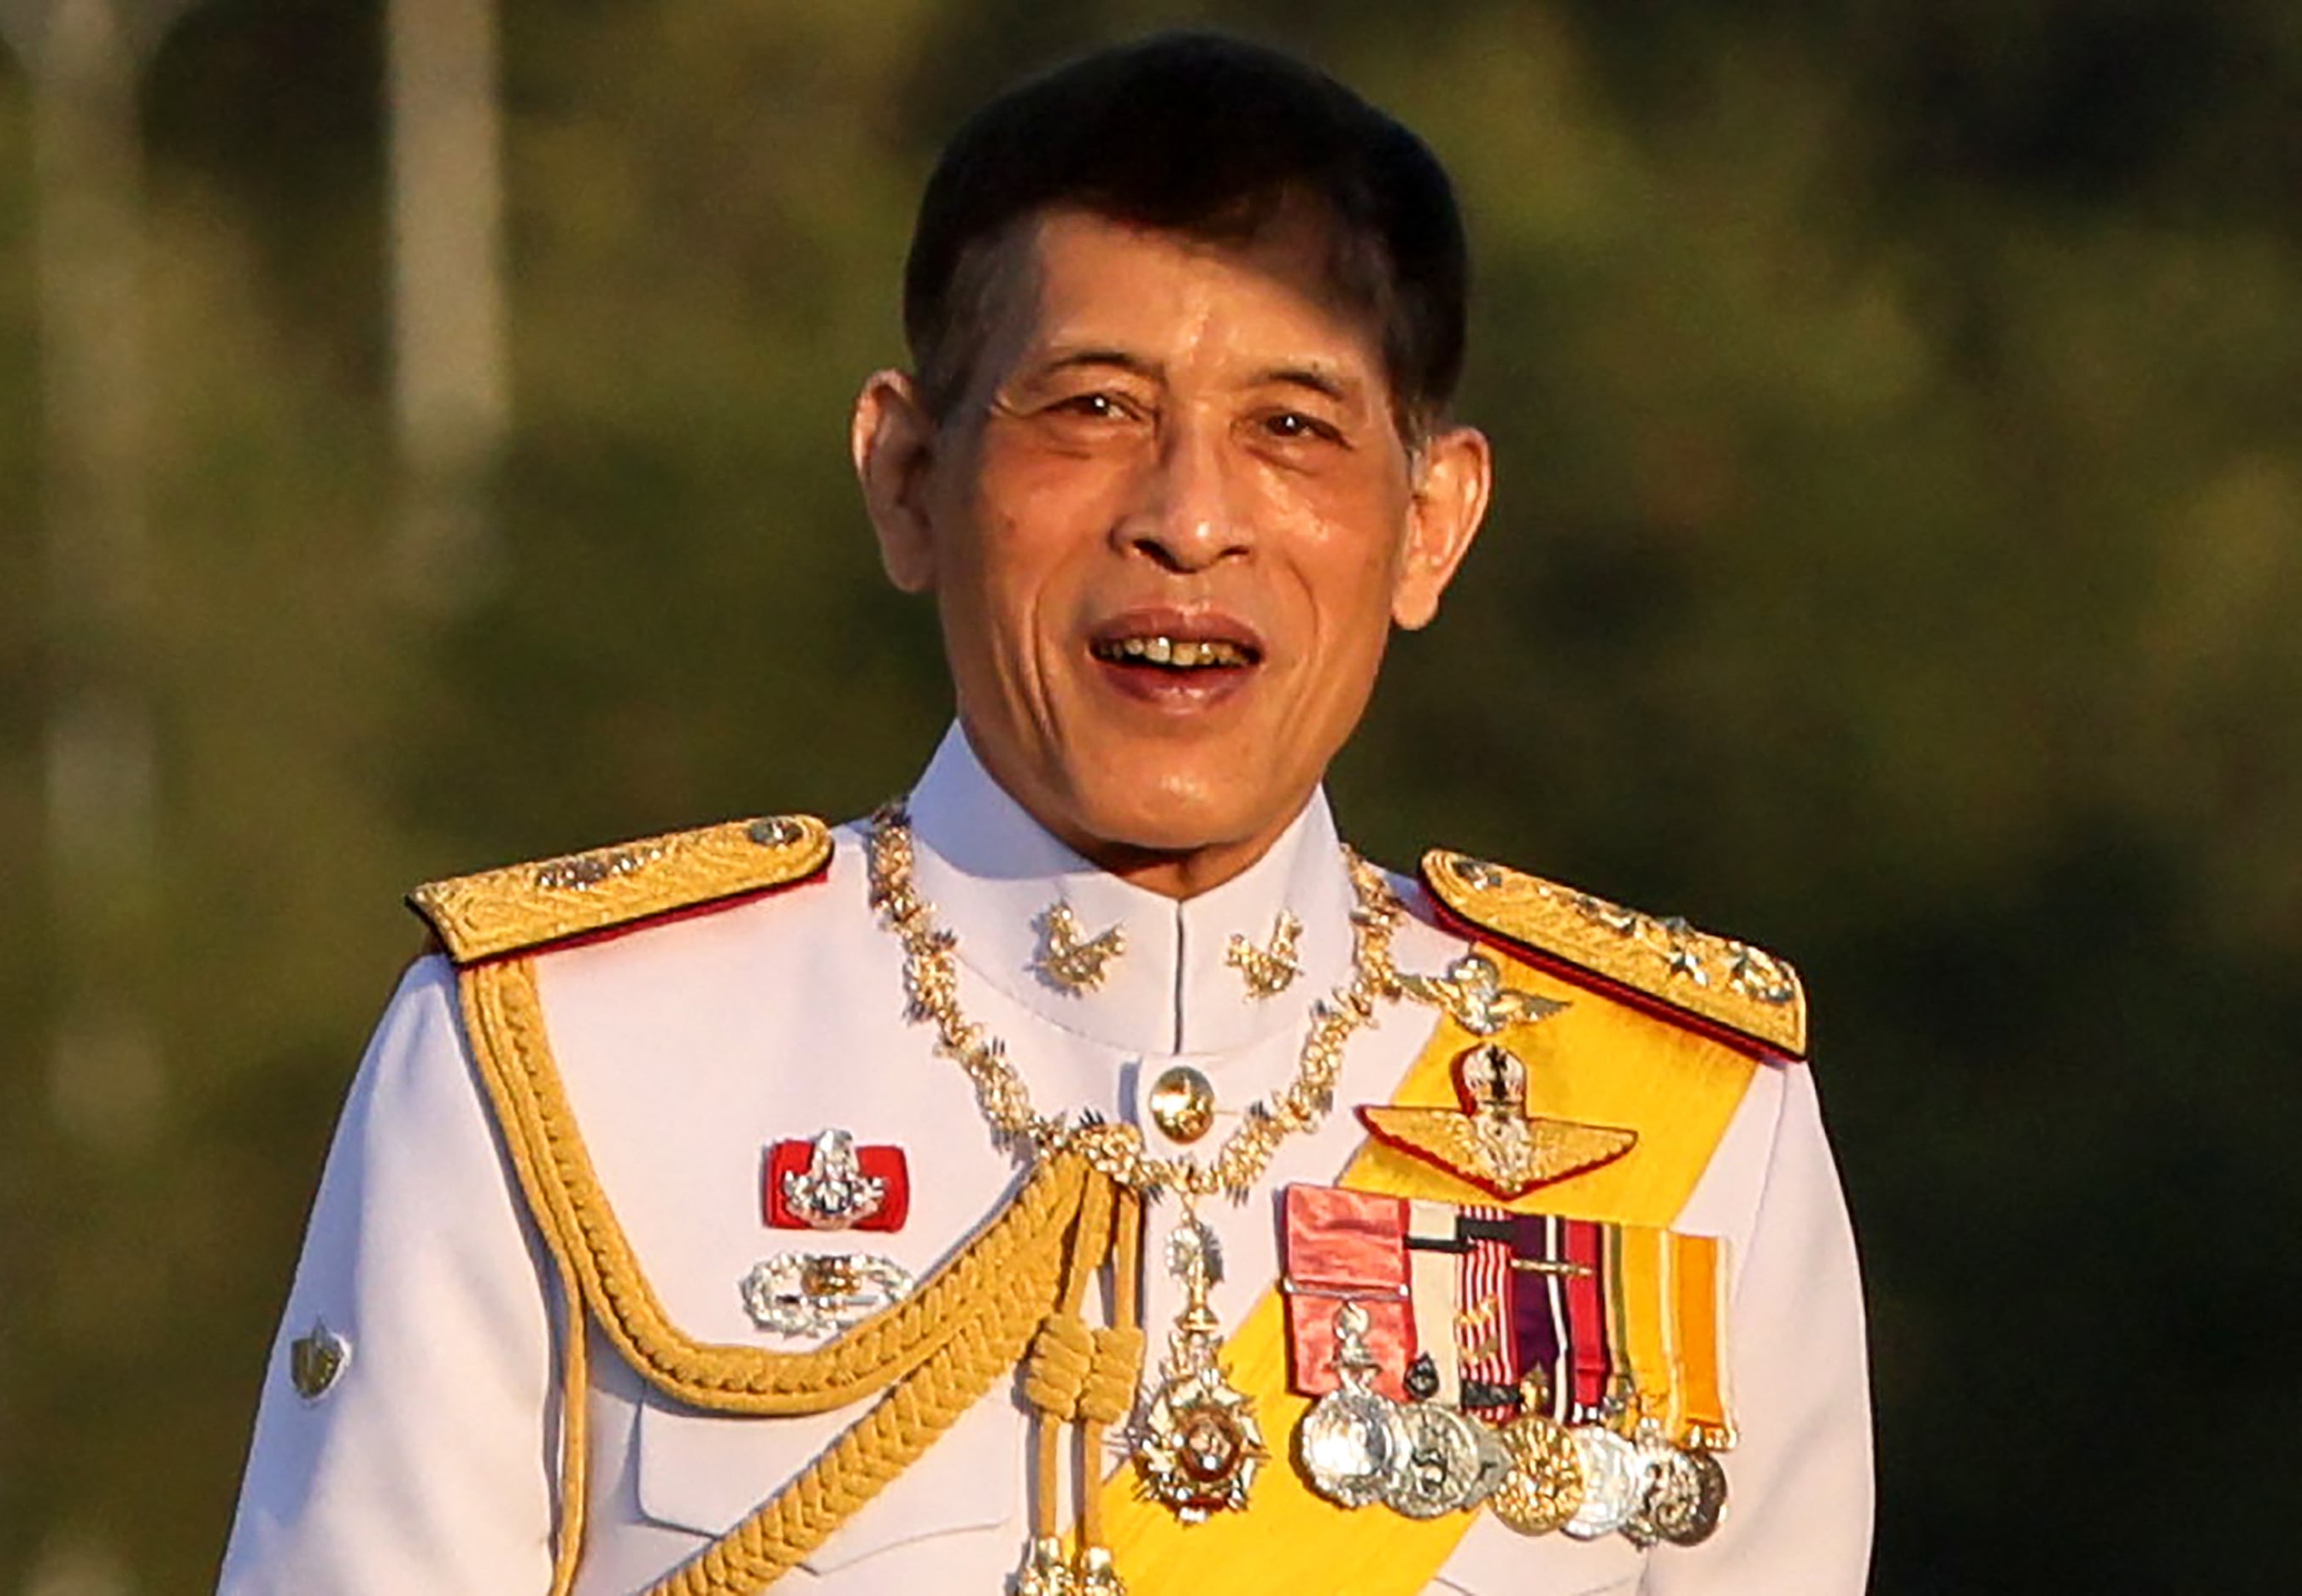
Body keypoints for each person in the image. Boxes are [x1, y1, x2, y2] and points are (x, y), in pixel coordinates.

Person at [217, 32, 1871, 1596]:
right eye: (1092, 408)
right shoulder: (559, 1057)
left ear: (1430, 523)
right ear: (907, 479)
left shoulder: (1689, 1121)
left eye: (1292, 429)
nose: (1189, 518)